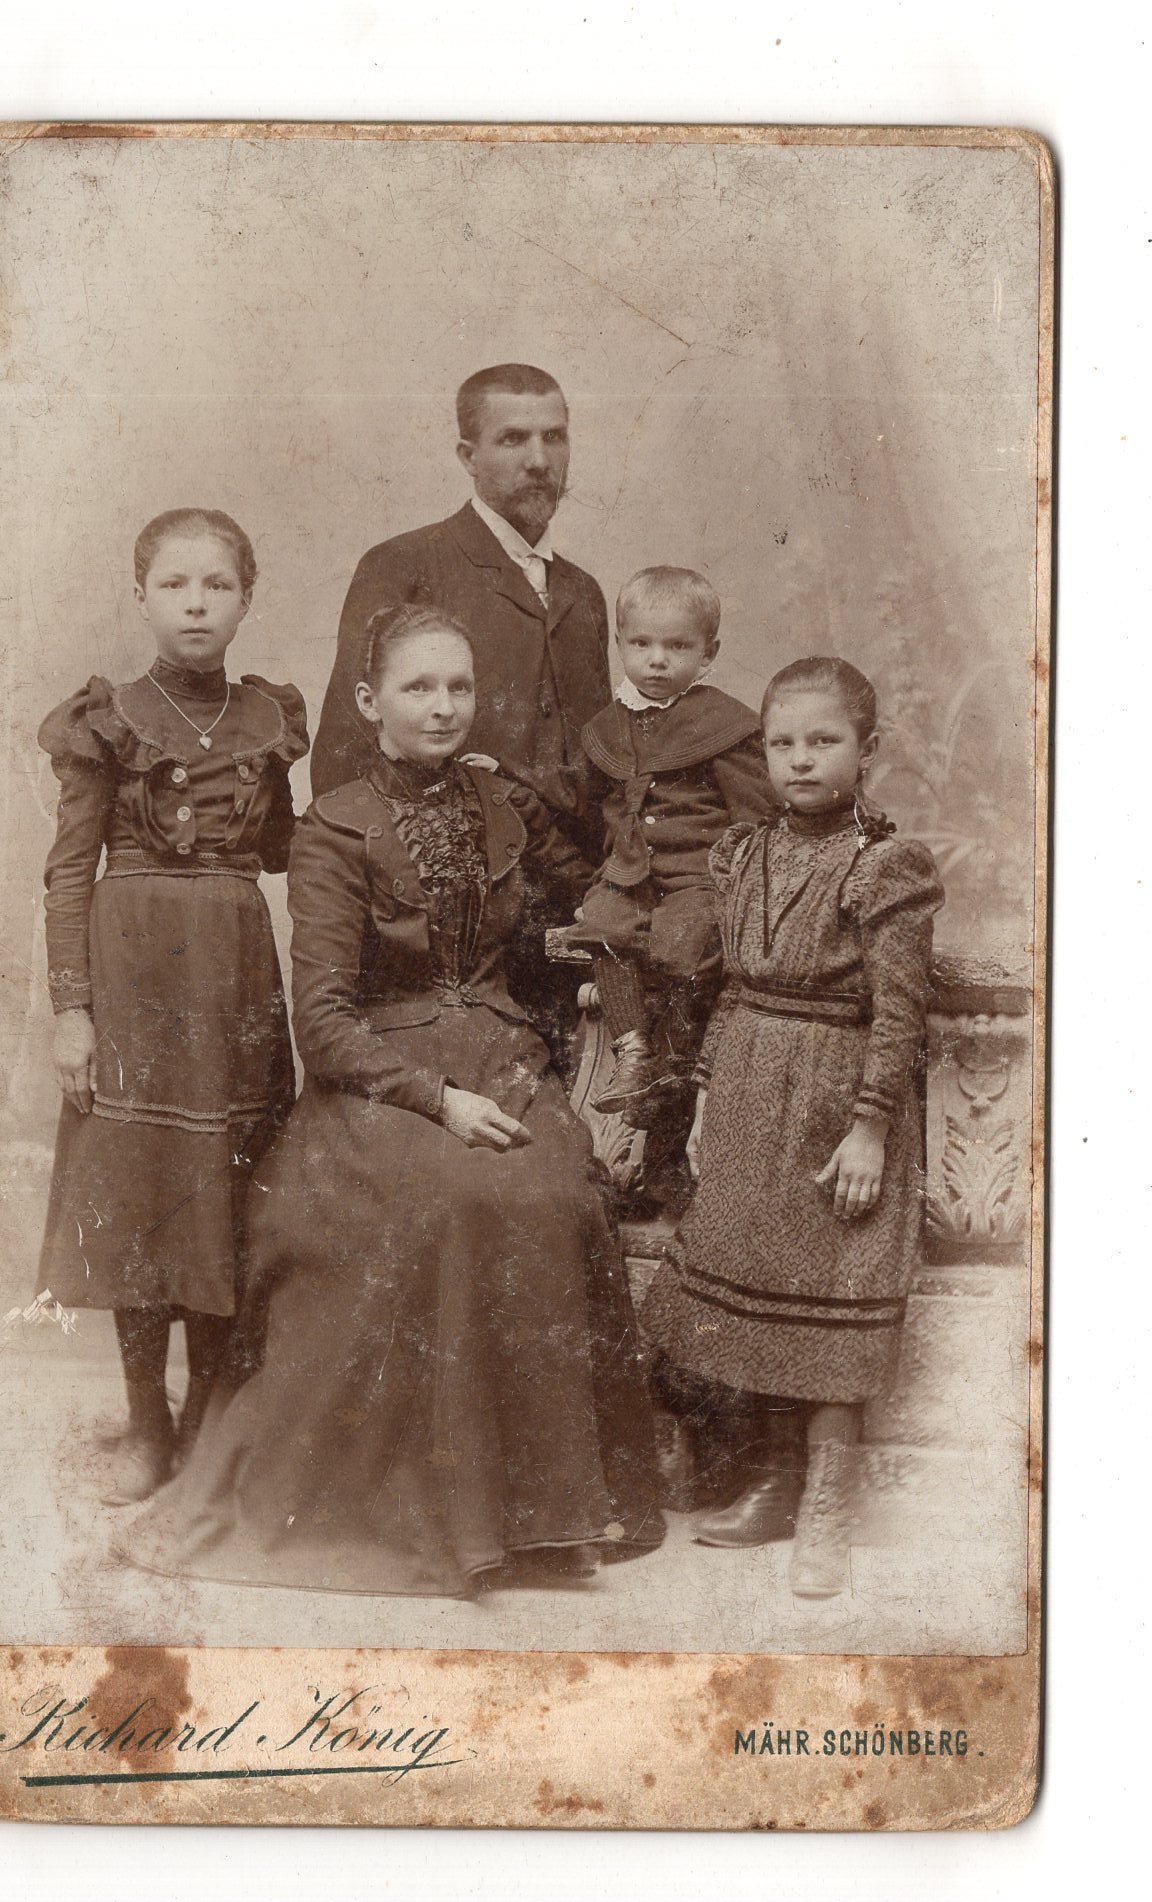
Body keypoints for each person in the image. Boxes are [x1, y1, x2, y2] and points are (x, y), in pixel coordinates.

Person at [115, 604, 665, 1598]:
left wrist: (586, 1026)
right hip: (374, 1081)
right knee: (446, 1199)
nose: (442, 707)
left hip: (500, 1059)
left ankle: (544, 1520)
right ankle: (430, 1518)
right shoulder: (335, 827)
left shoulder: (505, 811)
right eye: (417, 687)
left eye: (457, 686)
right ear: (370, 704)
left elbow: (583, 921)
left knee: (553, 1193)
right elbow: (321, 1020)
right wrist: (436, 1099)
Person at [640, 657, 944, 1599]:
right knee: (753, 1296)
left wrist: (869, 1129)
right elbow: (733, 989)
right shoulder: (748, 851)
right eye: (783, 743)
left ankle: (826, 1515)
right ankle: (771, 1484)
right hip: (750, 1087)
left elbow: (899, 1015)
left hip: (834, 1101)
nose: (801, 761)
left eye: (824, 741)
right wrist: (704, 1099)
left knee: (832, 1306)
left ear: (867, 749)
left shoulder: (887, 865)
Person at [36, 507, 309, 1506]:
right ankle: (146, 1425)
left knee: (223, 1194)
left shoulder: (267, 718)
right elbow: (68, 872)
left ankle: (207, 1423)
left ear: (247, 597)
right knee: (142, 1199)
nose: (196, 604)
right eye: (175, 585)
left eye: (218, 586)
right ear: (141, 594)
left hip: (232, 978)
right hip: (132, 977)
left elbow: (281, 849)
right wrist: (74, 1010)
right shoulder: (104, 714)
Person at [310, 364, 610, 852]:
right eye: (513, 439)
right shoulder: (403, 565)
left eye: (554, 437)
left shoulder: (583, 592)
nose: (539, 460)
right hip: (447, 883)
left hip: (574, 885)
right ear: (468, 457)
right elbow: (343, 757)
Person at [565, 566, 776, 1123]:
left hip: (697, 875)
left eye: (677, 646)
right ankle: (632, 1049)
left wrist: (742, 882)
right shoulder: (609, 725)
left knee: (685, 938)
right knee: (602, 917)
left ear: (707, 655)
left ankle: (677, 1053)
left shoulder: (723, 724)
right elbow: (582, 804)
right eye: (642, 644)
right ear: (621, 646)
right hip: (630, 872)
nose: (657, 660)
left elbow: (756, 813)